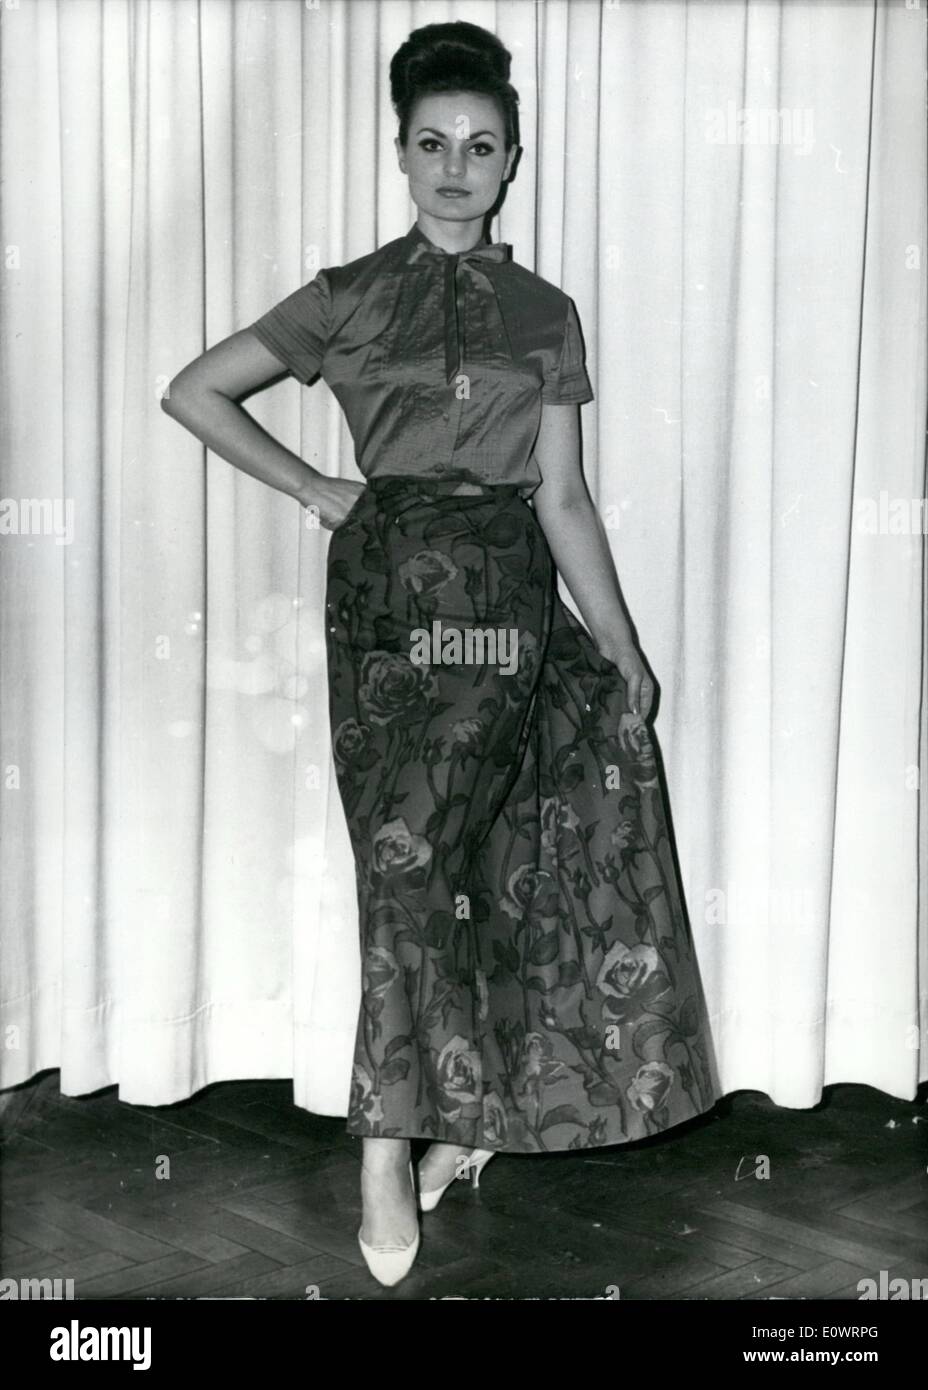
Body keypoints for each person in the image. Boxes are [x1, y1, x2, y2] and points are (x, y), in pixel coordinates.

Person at [162, 19, 721, 1289]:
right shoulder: (349, 294)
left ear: (513, 159)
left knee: (507, 857)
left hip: (513, 598)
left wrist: (621, 646)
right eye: (433, 145)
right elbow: (195, 389)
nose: (456, 166)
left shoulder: (545, 313)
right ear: (403, 155)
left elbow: (564, 496)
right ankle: (385, 1139)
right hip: (387, 602)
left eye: (481, 146)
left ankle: (456, 1123)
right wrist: (315, 484)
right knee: (407, 867)